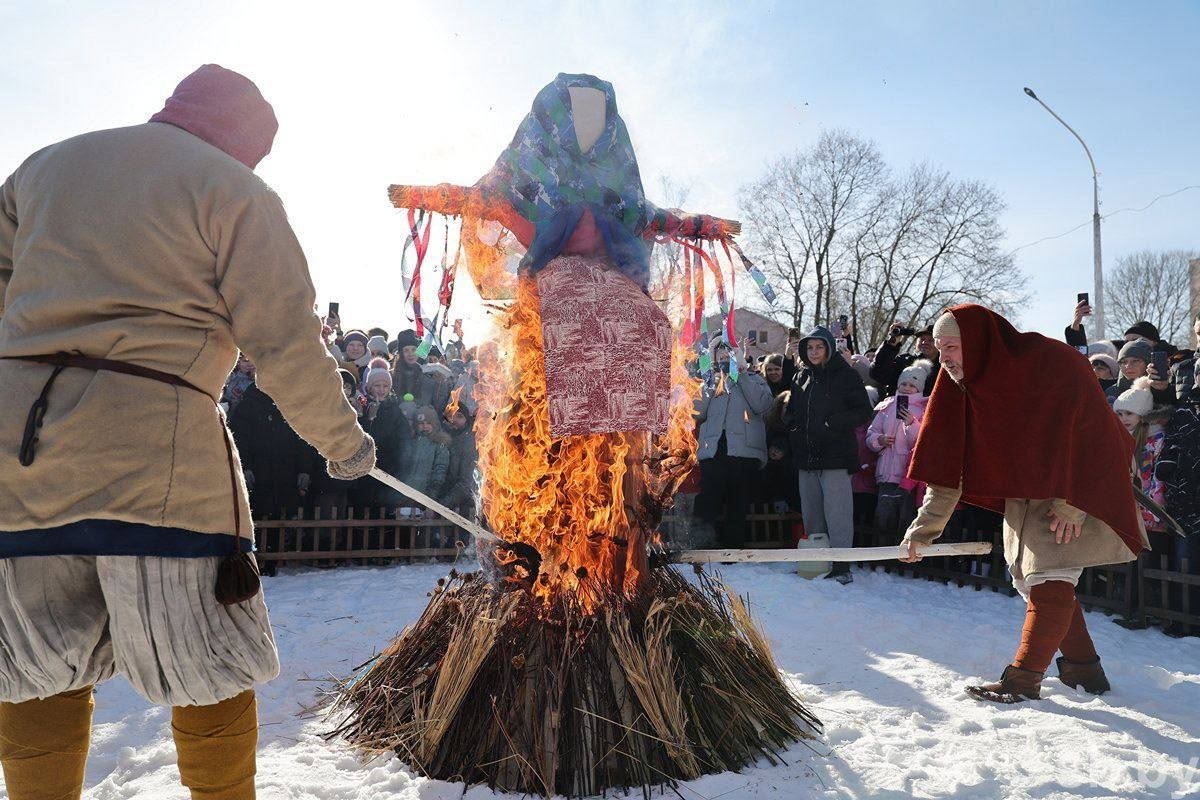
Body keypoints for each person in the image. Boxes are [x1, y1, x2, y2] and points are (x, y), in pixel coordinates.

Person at [0, 65, 375, 799]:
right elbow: (286, 343)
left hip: (20, 456)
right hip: (157, 456)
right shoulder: (234, 191)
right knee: (211, 662)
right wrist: (344, 442)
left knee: (36, 666)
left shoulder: (44, 168)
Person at [900, 306, 1147, 703]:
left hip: (1078, 487)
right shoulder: (957, 385)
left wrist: (1074, 502)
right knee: (1030, 581)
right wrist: (922, 532)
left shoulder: (1052, 363)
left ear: (978, 343)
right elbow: (947, 469)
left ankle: (1023, 680)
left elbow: (1098, 434)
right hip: (1026, 493)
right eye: (939, 348)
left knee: (1050, 578)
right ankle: (1085, 671)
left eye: (952, 347)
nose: (943, 358)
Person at [783, 326, 872, 583]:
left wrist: (832, 423)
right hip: (806, 457)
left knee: (838, 515)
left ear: (829, 348)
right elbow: (792, 409)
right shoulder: (800, 376)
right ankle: (816, 562)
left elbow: (863, 411)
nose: (814, 352)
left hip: (836, 456)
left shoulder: (846, 375)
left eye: (819, 347)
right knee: (812, 514)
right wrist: (792, 424)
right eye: (810, 347)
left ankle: (841, 566)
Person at [693, 338, 774, 548]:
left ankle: (733, 552)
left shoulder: (754, 379)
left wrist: (742, 374)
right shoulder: (709, 381)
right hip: (714, 451)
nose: (723, 356)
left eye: (728, 352)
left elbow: (763, 405)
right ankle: (700, 549)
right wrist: (710, 382)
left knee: (738, 504)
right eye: (719, 352)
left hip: (744, 453)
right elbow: (696, 412)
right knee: (707, 501)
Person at [867, 360, 932, 537]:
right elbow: (871, 433)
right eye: (903, 384)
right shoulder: (886, 406)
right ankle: (882, 552)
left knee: (906, 518)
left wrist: (911, 424)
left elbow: (921, 442)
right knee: (883, 517)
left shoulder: (924, 408)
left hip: (908, 475)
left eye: (912, 385)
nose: (907, 388)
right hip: (886, 473)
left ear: (919, 387)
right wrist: (879, 440)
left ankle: (902, 553)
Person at [870, 322, 939, 397]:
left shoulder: (945, 367)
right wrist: (891, 344)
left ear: (940, 343)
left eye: (931, 340)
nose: (925, 342)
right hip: (899, 403)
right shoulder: (905, 362)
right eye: (922, 339)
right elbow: (877, 373)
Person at [1106, 339, 1175, 407]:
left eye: (1135, 361)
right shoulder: (1111, 392)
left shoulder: (1166, 389)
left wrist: (1161, 391)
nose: (1128, 366)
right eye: (1123, 362)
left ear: (1148, 363)